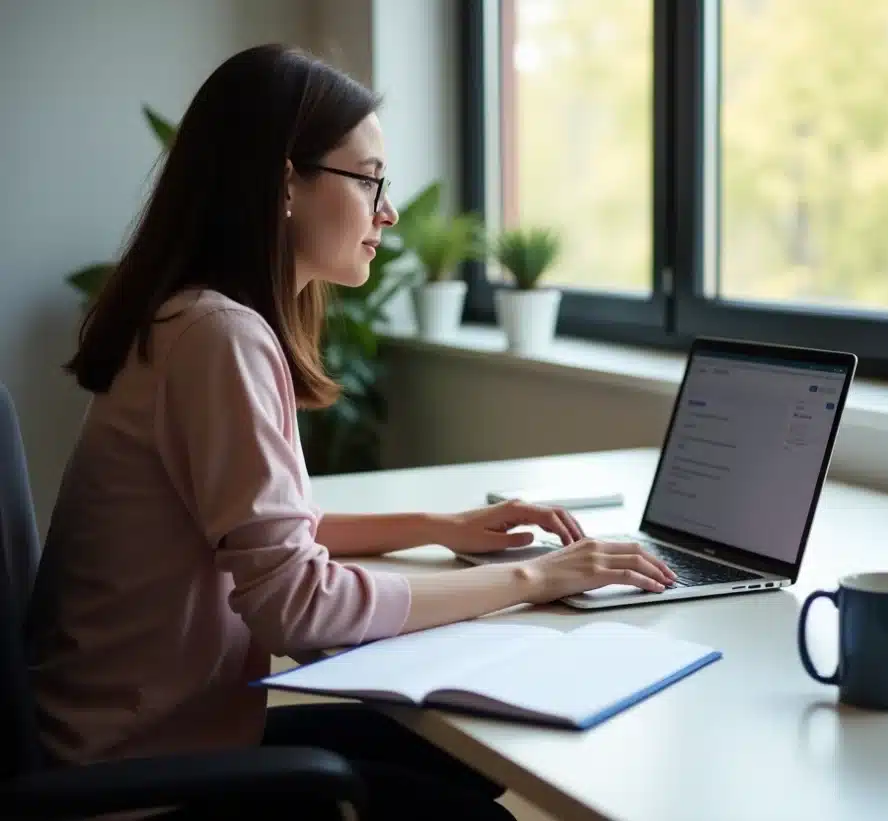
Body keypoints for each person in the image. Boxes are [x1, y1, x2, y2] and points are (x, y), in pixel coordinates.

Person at [26, 43, 675, 821]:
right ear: (285, 183)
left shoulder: (196, 319)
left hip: (147, 737)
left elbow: (263, 534)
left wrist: (443, 525)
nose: (388, 211)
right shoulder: (217, 336)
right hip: (143, 778)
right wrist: (540, 577)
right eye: (369, 179)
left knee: (452, 756)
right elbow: (296, 604)